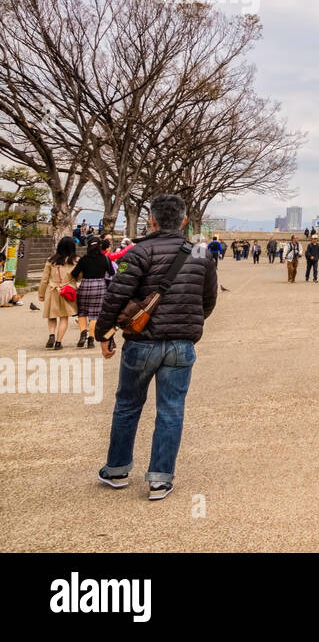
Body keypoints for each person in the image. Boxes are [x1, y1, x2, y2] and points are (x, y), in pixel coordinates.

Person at [95, 194, 219, 500]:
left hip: (141, 342)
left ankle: (117, 469)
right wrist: (189, 321)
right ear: (184, 221)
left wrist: (103, 333)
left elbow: (115, 295)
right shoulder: (201, 253)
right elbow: (209, 299)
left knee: (127, 405)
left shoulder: (138, 252)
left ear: (152, 220)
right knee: (171, 409)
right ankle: (160, 479)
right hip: (181, 343)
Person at [72, 238, 114, 349]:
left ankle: (82, 333)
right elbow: (112, 272)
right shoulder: (105, 258)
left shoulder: (84, 259)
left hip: (85, 286)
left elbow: (74, 273)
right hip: (100, 287)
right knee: (95, 315)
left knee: (82, 312)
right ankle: (91, 339)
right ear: (100, 246)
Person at [38, 236, 79, 349]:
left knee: (52, 315)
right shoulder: (75, 260)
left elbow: (44, 279)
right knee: (64, 317)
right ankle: (58, 342)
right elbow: (79, 277)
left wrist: (41, 294)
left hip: (52, 290)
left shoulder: (51, 260)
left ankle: (51, 335)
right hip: (67, 291)